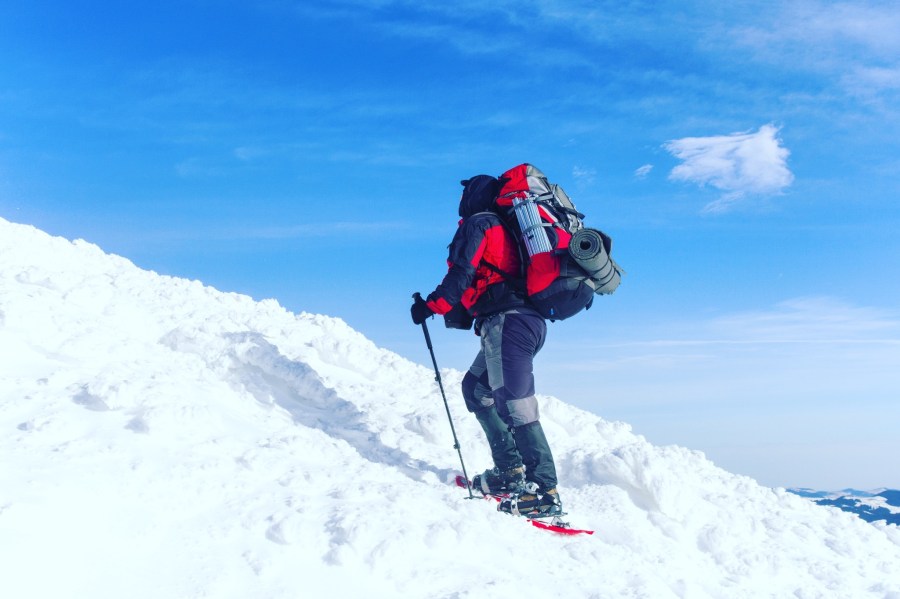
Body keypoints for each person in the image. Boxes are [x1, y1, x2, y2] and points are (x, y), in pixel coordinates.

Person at [410, 174, 562, 517]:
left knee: (516, 404)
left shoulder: (481, 224)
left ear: (474, 196)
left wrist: (432, 306)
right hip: (519, 323)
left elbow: (462, 272)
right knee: (476, 391)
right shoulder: (506, 229)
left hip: (510, 323)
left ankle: (545, 491)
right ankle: (509, 472)